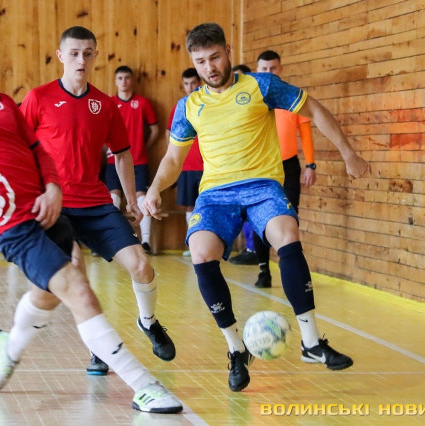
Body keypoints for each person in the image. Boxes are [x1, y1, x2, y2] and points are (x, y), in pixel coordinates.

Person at [0, 27, 182, 414]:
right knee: (79, 289)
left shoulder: (2, 102)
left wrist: (52, 188)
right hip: (14, 226)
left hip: (50, 209)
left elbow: (38, 150)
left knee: (48, 295)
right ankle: (144, 386)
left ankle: (9, 348)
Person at [141, 23, 368, 392]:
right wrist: (153, 189)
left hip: (262, 187)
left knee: (287, 235)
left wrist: (348, 154)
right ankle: (236, 349)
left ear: (228, 51)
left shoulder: (261, 85)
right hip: (216, 194)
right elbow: (172, 159)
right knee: (201, 252)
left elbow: (314, 109)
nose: (210, 67)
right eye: (201, 62)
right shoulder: (189, 106)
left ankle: (312, 342)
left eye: (215, 57)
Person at [19, 26, 175, 377]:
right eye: (74, 53)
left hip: (95, 202)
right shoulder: (38, 98)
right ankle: (99, 350)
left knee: (141, 265)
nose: (81, 60)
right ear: (60, 56)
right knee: (77, 276)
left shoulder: (104, 104)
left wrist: (132, 201)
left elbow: (122, 154)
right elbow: (20, 149)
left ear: (95, 57)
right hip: (57, 206)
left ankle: (148, 321)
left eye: (87, 53)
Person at [252, 49, 317, 288]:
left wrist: (310, 164)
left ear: (281, 69)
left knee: (289, 217)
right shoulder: (251, 99)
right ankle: (263, 270)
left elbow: (305, 132)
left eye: (273, 68)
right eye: (264, 69)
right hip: (260, 167)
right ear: (257, 70)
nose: (269, 72)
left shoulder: (292, 96)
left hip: (288, 166)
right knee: (259, 217)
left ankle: (289, 268)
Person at [106, 65, 159, 253]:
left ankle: (146, 241)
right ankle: (111, 240)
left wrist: (144, 147)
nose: (124, 81)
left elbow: (155, 130)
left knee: (142, 198)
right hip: (113, 161)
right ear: (115, 81)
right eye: (120, 78)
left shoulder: (143, 102)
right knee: (113, 197)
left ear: (133, 80)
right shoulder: (110, 103)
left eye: (127, 78)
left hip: (138, 160)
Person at [166, 68, 202, 257]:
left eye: (193, 83)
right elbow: (169, 133)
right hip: (186, 166)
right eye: (186, 84)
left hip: (207, 166)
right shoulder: (180, 106)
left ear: (200, 82)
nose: (190, 87)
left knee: (206, 205)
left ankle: (208, 246)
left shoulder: (208, 103)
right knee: (190, 206)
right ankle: (193, 245)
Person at [228, 64, 258, 265]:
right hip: (233, 169)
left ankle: (254, 250)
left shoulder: (255, 103)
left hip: (254, 168)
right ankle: (249, 248)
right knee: (242, 212)